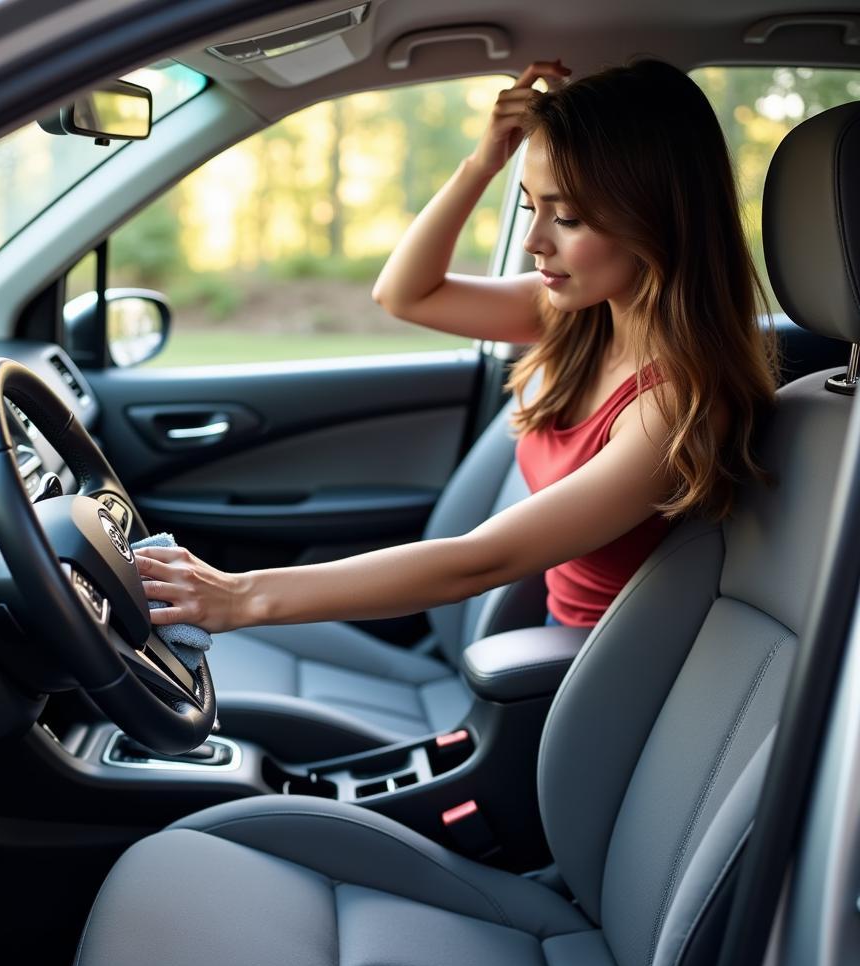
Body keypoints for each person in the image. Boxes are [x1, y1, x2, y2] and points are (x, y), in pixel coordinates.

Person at [135, 57, 778, 634]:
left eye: (569, 217)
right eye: (530, 206)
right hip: (541, 643)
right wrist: (482, 162)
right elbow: (405, 293)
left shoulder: (677, 408)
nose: (535, 240)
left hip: (584, 686)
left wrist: (240, 597)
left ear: (658, 219)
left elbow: (481, 561)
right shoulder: (579, 316)